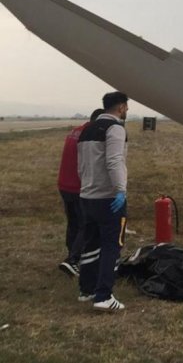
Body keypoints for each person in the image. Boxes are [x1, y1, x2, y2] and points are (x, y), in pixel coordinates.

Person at [76, 92, 130, 311]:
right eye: (126, 106)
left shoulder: (86, 130)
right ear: (121, 107)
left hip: (87, 195)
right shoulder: (115, 128)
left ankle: (86, 290)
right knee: (111, 246)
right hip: (108, 198)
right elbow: (115, 160)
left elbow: (81, 165)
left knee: (90, 243)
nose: (127, 110)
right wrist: (120, 190)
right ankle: (103, 296)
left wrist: (86, 186)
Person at [57, 108, 103, 277]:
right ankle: (73, 260)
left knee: (73, 223)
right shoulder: (91, 135)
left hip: (64, 184)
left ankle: (71, 256)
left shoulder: (75, 131)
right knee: (86, 224)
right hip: (79, 186)